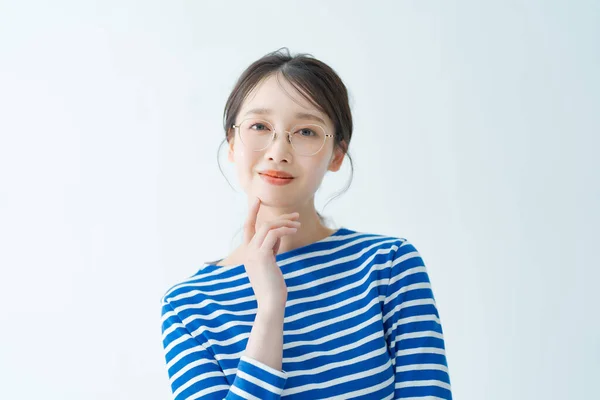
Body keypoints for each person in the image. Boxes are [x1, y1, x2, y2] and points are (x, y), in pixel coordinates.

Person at [160, 48, 452, 399]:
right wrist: (270, 309)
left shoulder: (388, 266)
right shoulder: (189, 306)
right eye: (259, 126)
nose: (278, 151)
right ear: (232, 143)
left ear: (337, 155)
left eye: (306, 132)